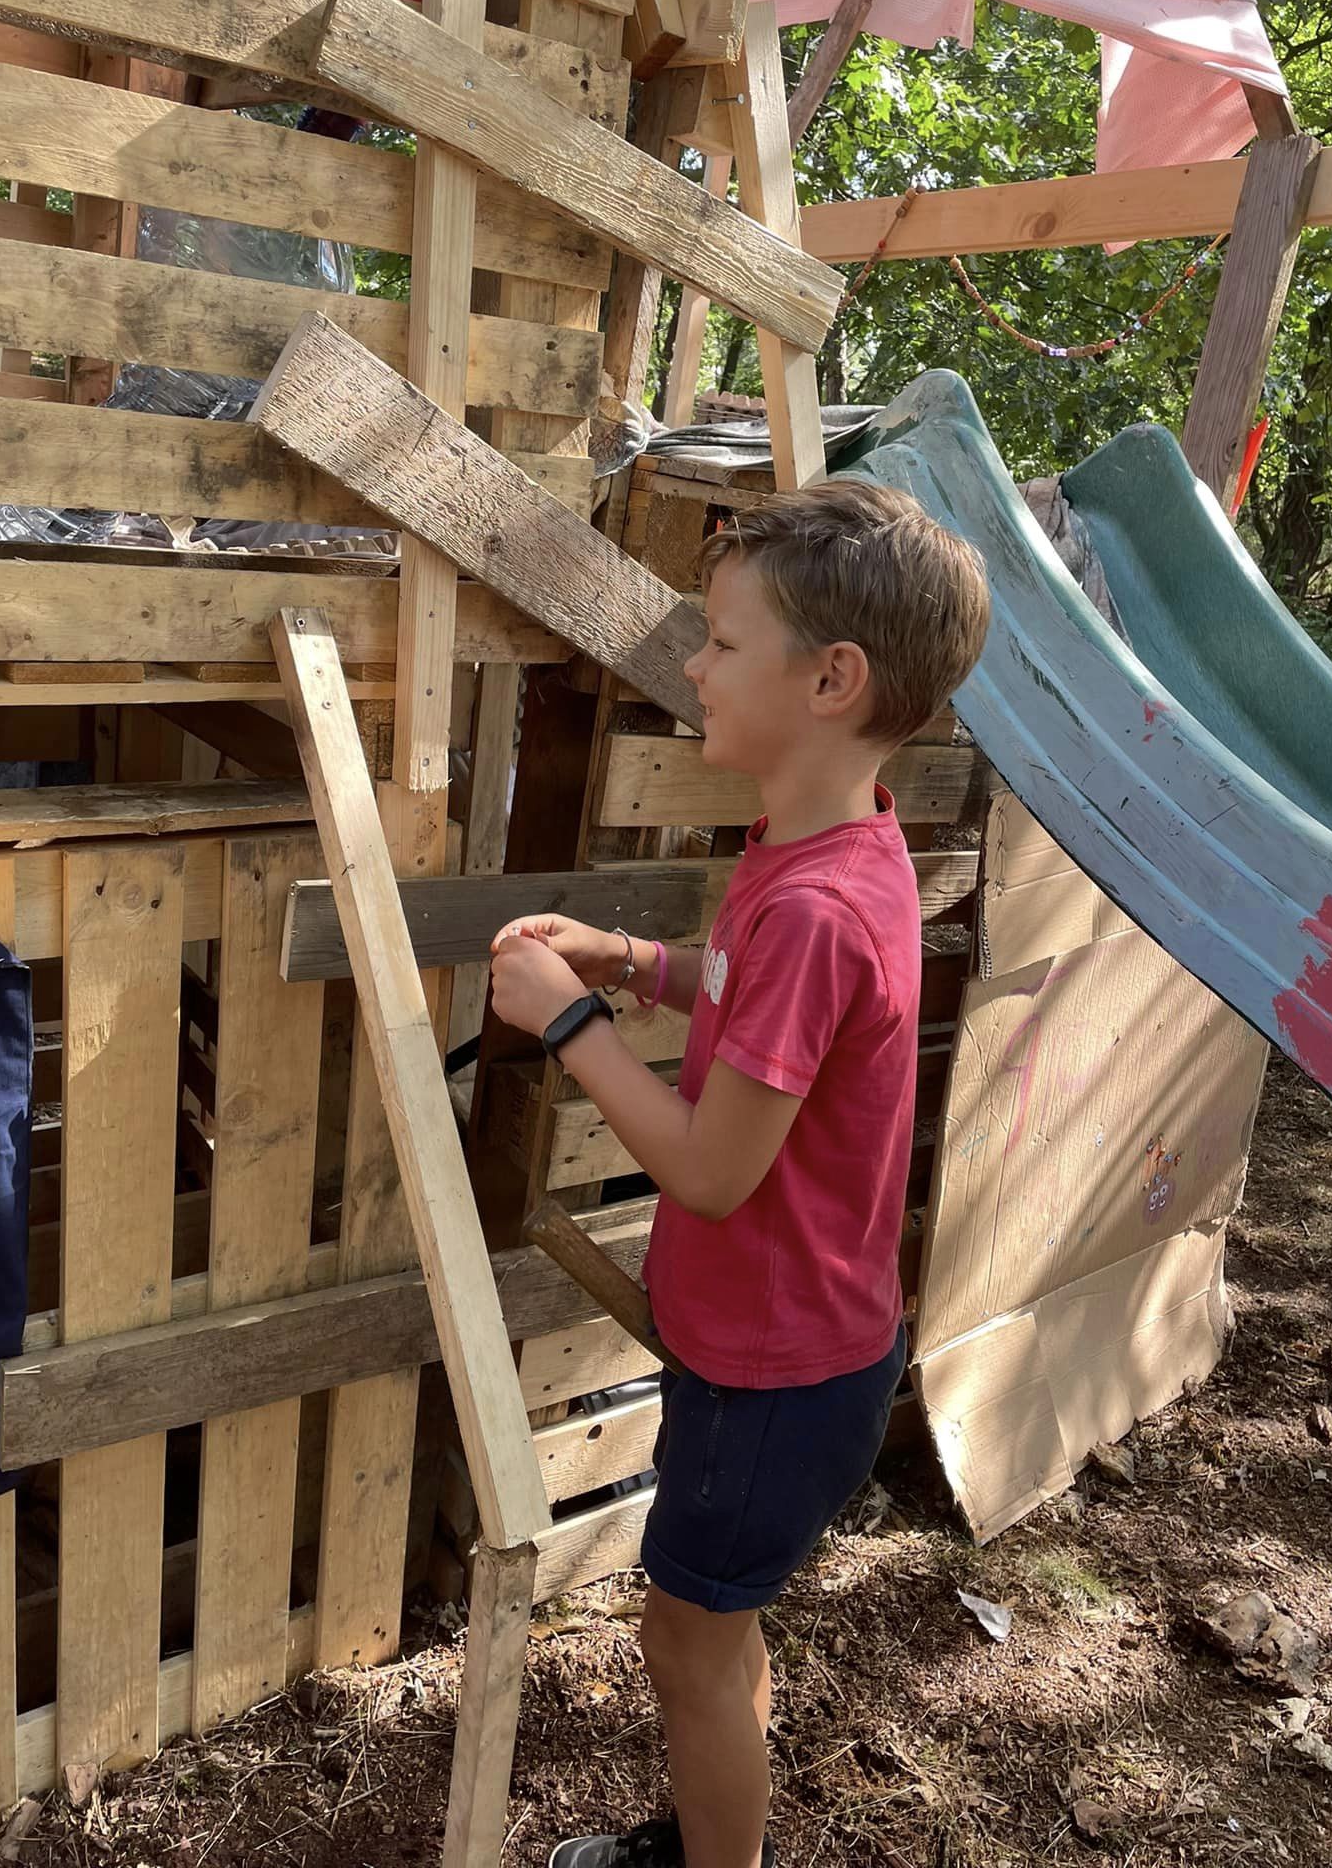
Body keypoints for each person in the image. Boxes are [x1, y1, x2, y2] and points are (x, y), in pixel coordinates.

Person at [488, 479, 992, 1868]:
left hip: (776, 1377)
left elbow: (712, 1173)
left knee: (687, 1647)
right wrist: (633, 962)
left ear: (832, 680)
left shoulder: (821, 904)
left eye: (720, 641)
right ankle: (725, 1837)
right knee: (718, 1630)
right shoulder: (833, 846)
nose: (696, 667)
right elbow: (759, 998)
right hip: (787, 1352)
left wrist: (571, 1024)